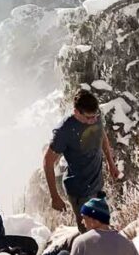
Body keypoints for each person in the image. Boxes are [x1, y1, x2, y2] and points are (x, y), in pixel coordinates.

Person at [44, 89, 120, 231]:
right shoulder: (64, 131)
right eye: (88, 118)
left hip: (97, 185)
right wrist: (54, 196)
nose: (93, 121)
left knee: (103, 229)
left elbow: (101, 135)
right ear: (76, 112)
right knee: (89, 234)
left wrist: (111, 163)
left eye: (95, 116)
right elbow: (48, 162)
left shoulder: (95, 117)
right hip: (79, 191)